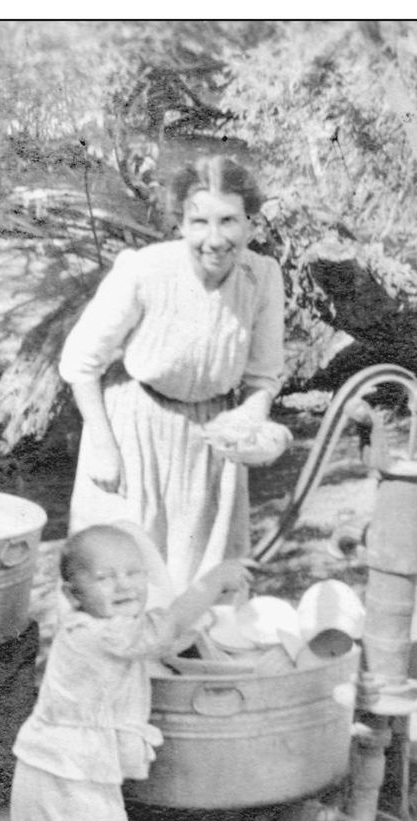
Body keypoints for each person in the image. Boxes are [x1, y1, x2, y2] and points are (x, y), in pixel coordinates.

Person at [3, 523, 252, 821]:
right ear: (73, 593)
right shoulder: (104, 633)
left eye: (134, 573)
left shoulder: (83, 627)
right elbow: (160, 632)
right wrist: (211, 583)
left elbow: (159, 635)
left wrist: (193, 618)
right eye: (104, 577)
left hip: (38, 761)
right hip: (77, 772)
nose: (123, 585)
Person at [58, 155, 285, 592]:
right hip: (133, 430)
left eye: (229, 221)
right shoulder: (145, 270)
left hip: (211, 438)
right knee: (120, 581)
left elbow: (263, 377)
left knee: (202, 587)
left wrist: (248, 419)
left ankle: (198, 659)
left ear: (251, 224)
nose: (214, 239)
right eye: (199, 222)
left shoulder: (263, 277)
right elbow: (81, 362)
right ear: (180, 224)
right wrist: (104, 443)